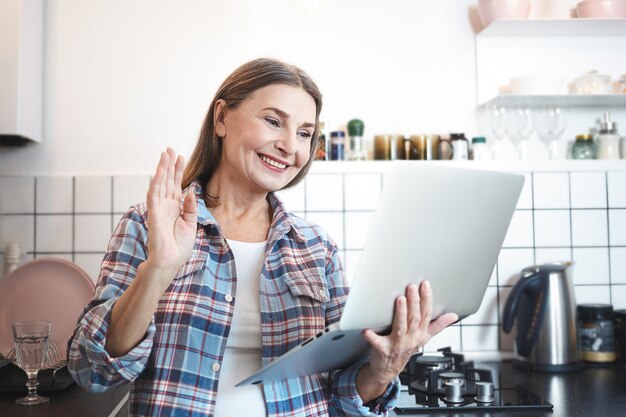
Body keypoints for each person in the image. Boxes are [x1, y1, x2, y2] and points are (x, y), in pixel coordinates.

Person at [67, 58, 458, 417]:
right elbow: (93, 370)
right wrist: (158, 268)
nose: (290, 146)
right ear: (222, 118)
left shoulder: (316, 248)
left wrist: (385, 368)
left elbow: (342, 393)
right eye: (274, 121)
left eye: (305, 133)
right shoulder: (148, 224)